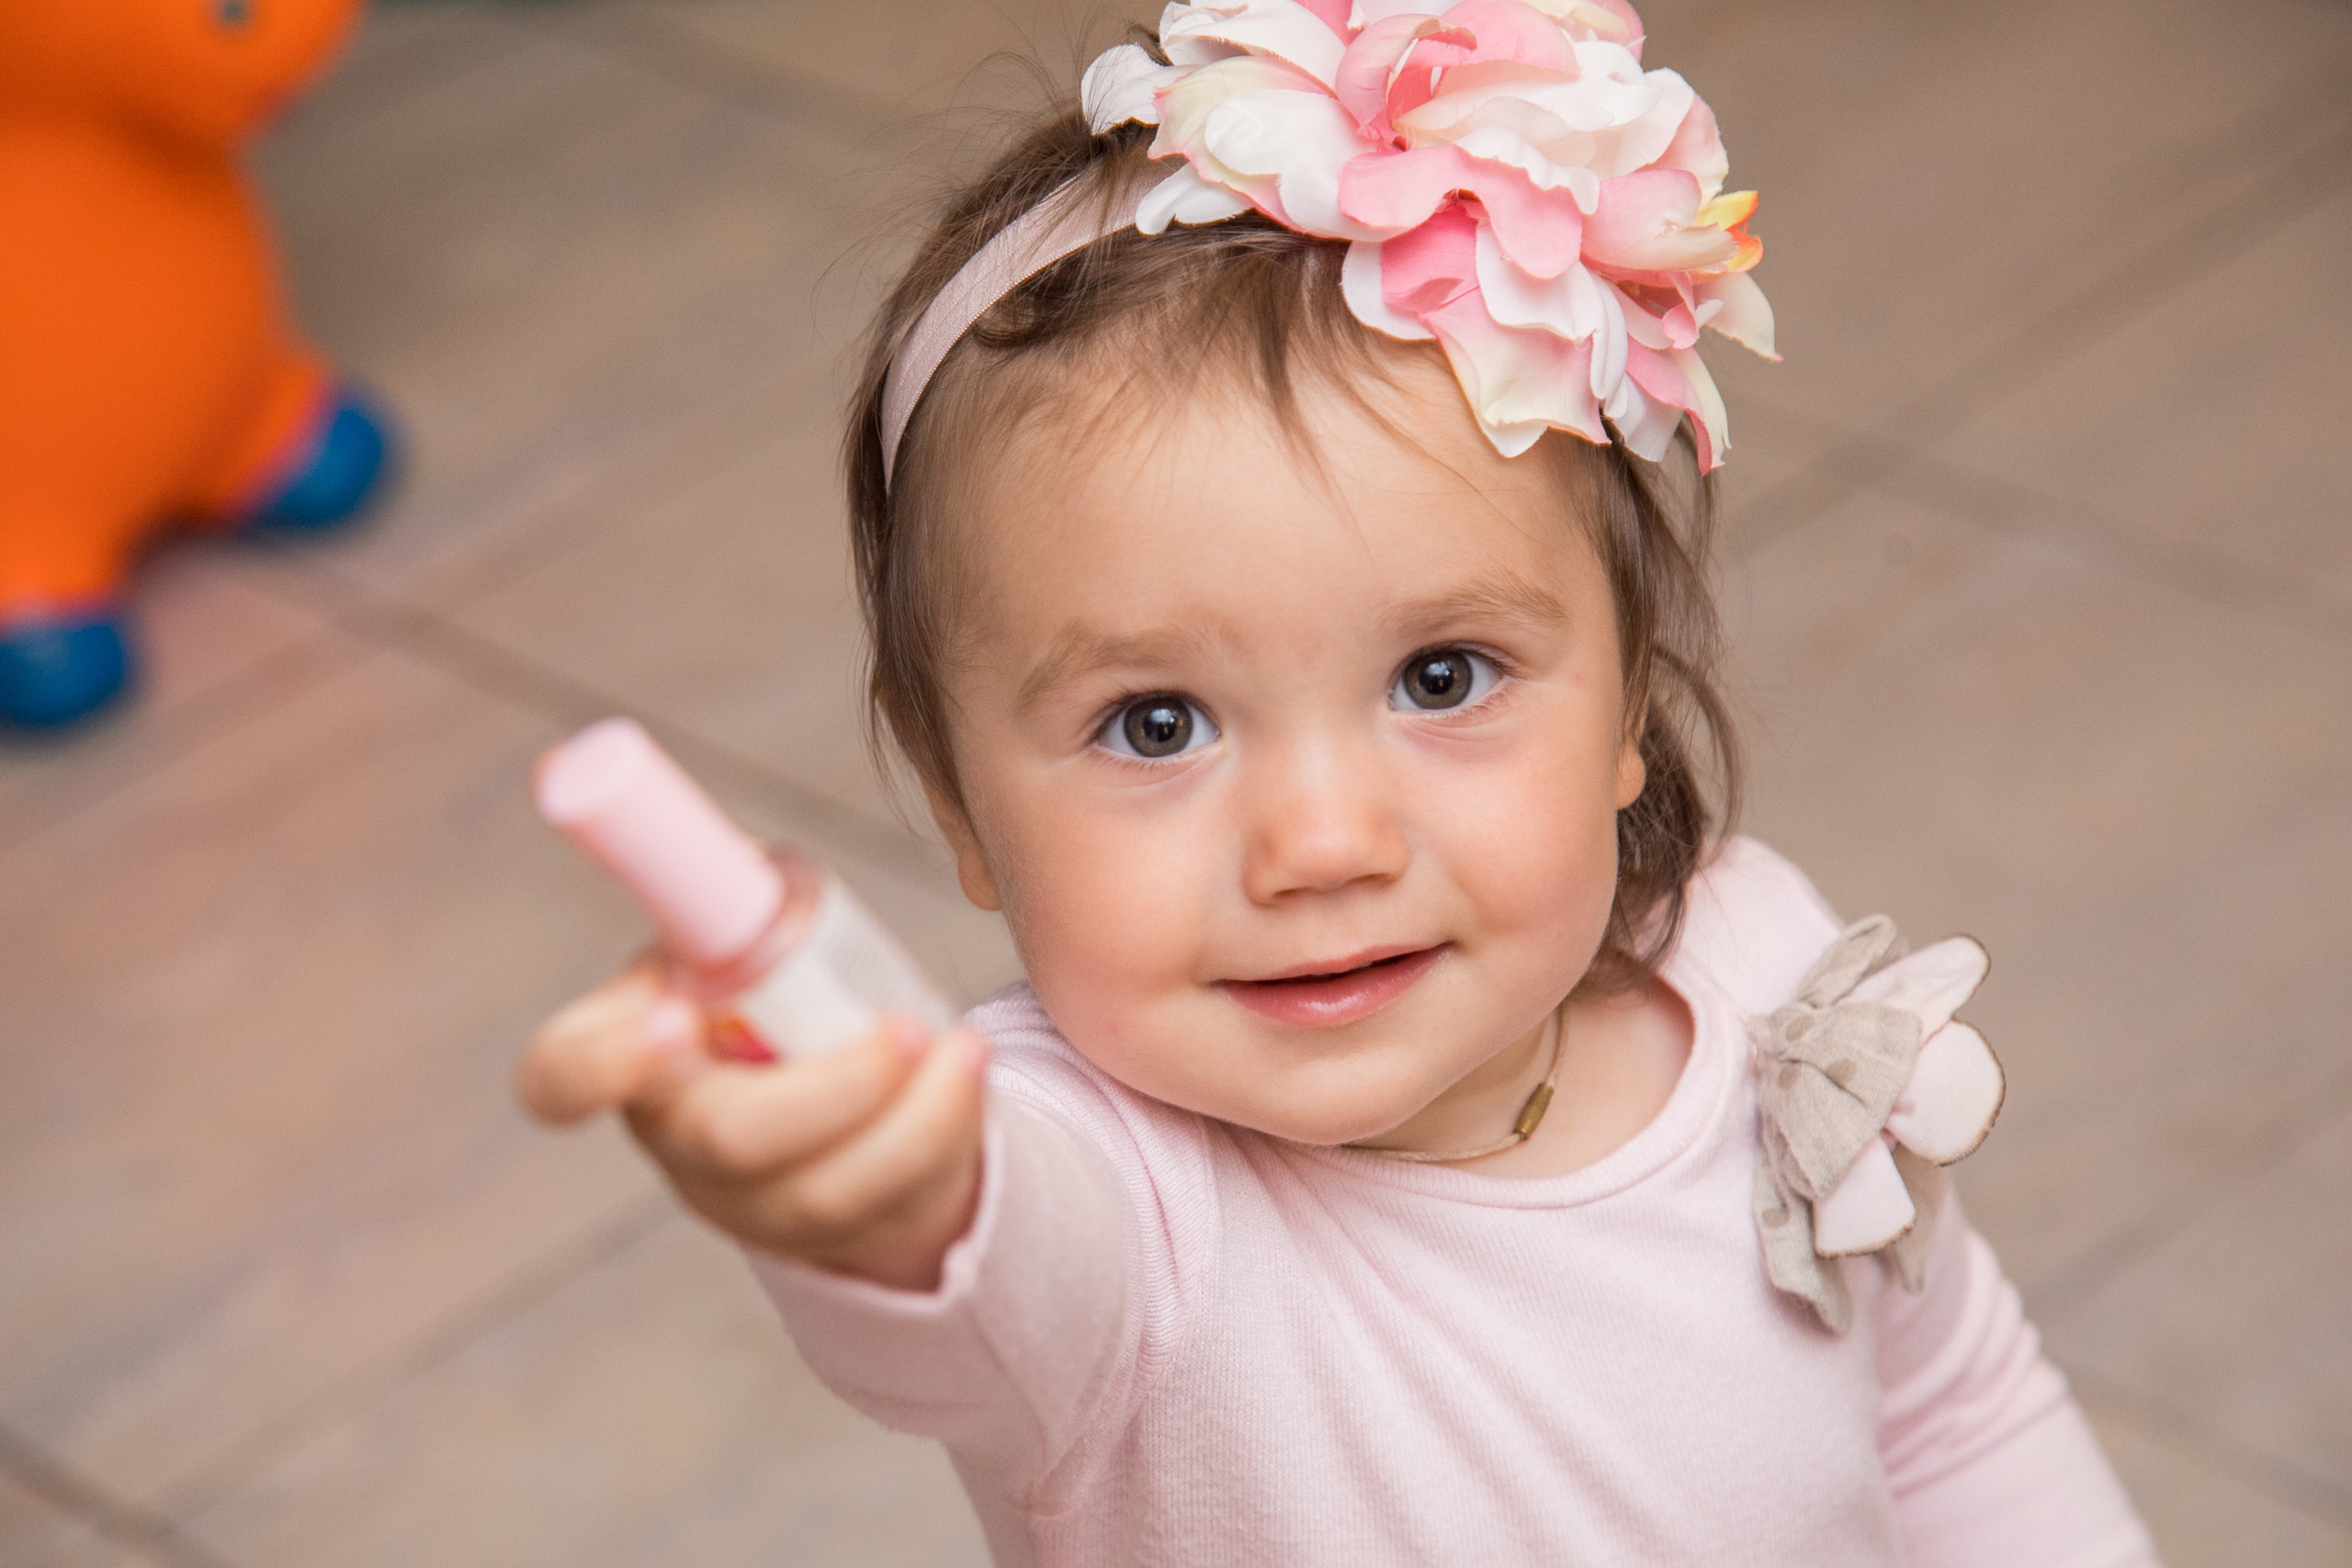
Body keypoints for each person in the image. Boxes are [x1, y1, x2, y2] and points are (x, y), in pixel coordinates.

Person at [519, 3, 2157, 1562]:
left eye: (1443, 678)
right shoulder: (1119, 1201)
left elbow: (1949, 1416)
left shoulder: (1764, 970)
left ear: (1626, 703)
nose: (1320, 843)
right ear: (958, 804)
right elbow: (977, 1252)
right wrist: (884, 1183)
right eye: (1156, 723)